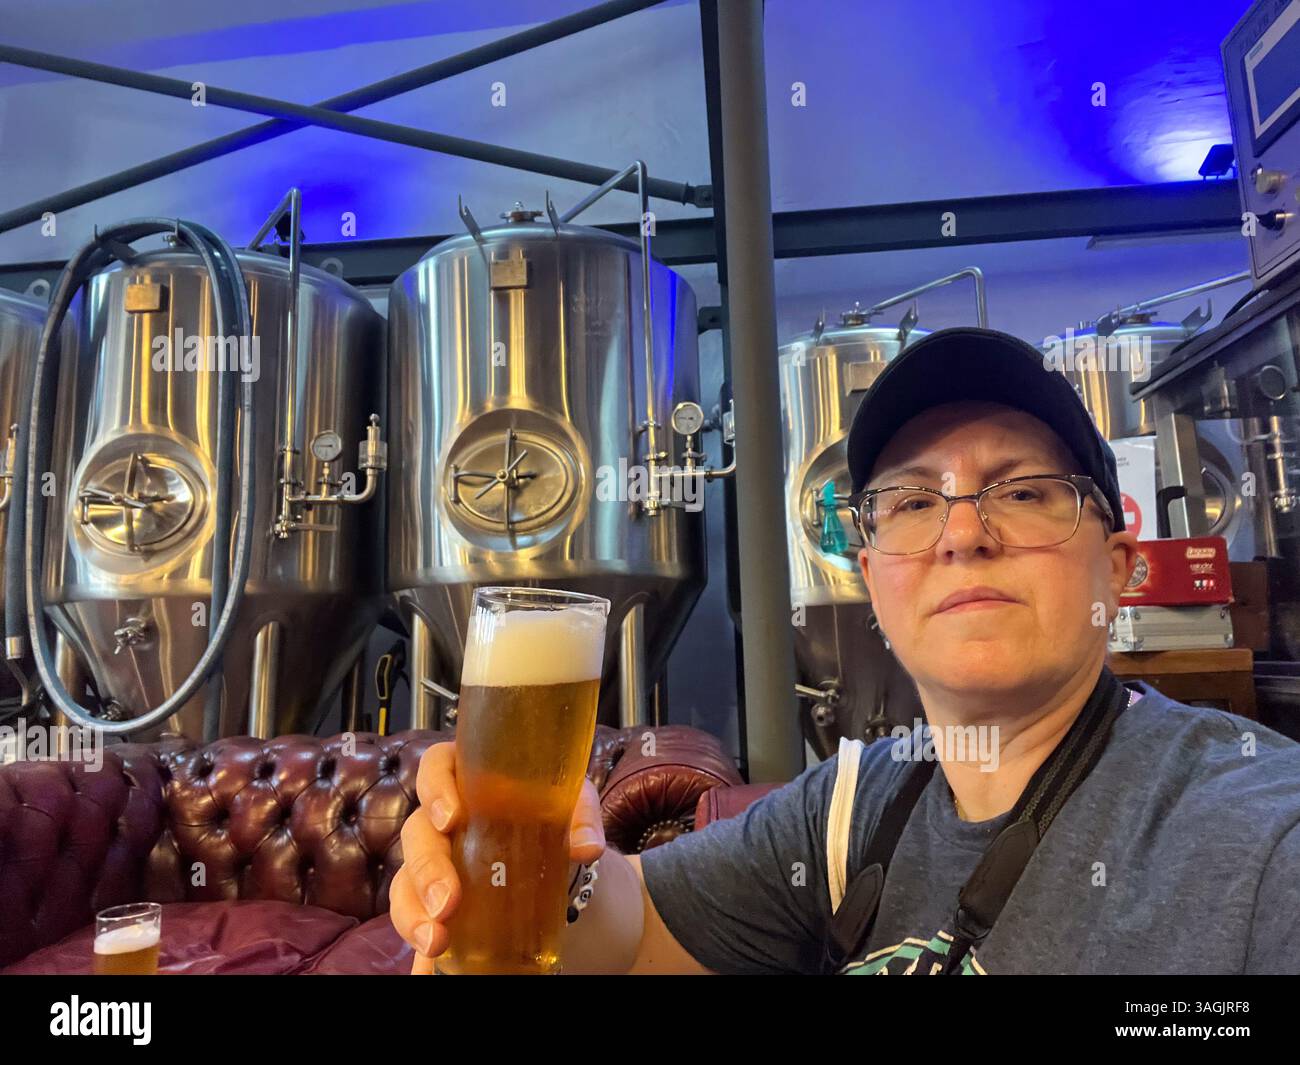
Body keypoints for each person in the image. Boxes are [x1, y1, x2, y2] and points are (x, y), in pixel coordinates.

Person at [391, 327, 1300, 975]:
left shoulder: (1249, 830)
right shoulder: (851, 807)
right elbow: (626, 939)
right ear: (872, 577)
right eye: (910, 502)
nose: (962, 535)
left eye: (1023, 492)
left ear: (1121, 568)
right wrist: (547, 868)